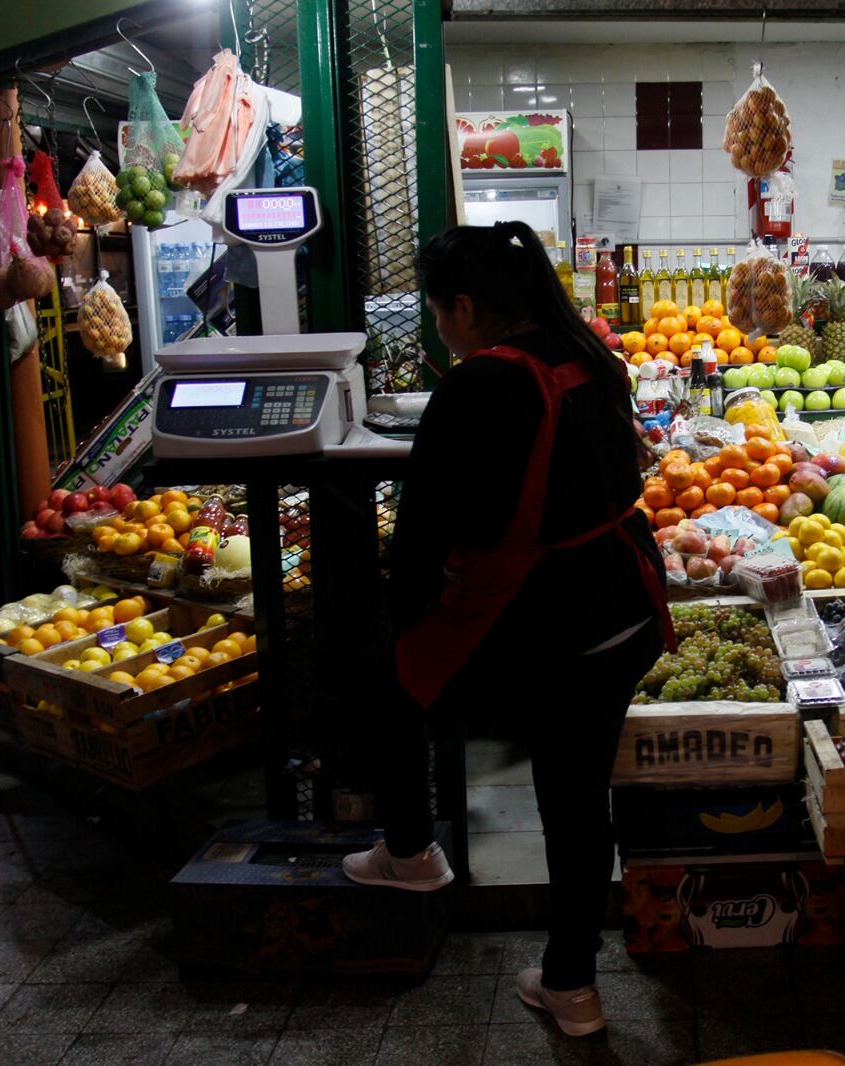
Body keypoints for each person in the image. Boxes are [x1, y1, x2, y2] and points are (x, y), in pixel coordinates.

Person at [342, 222, 672, 1037]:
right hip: (625, 608)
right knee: (575, 797)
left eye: (437, 313)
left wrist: (408, 617)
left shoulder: (480, 384)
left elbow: (421, 534)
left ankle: (411, 853)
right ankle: (571, 986)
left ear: (464, 306)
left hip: (547, 619)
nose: (439, 329)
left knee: (382, 678)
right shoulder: (592, 357)